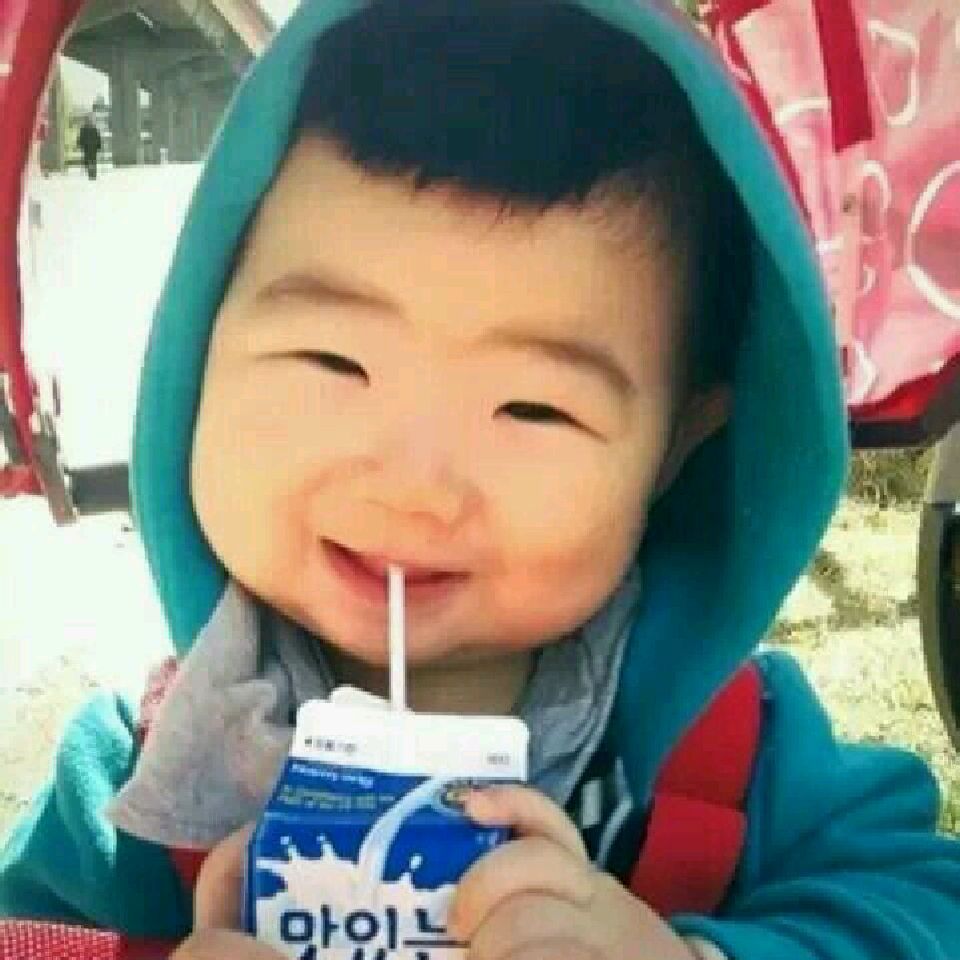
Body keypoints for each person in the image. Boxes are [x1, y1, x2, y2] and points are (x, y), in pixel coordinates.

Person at [3, 2, 960, 958]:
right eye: (333, 362)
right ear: (195, 354)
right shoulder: (127, 788)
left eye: (533, 409)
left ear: (676, 445)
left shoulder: (743, 763)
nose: (414, 486)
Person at [77, 114, 102, 180]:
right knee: (93, 160)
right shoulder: (94, 128)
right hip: (93, 147)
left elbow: (81, 138)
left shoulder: (84, 129)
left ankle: (91, 174)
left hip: (87, 147)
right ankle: (93, 174)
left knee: (89, 160)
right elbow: (98, 138)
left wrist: (81, 145)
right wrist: (99, 146)